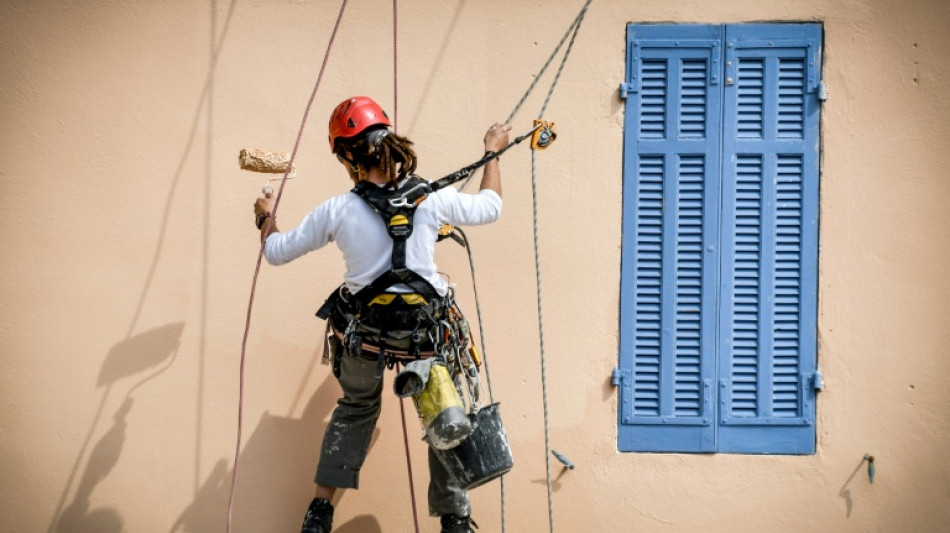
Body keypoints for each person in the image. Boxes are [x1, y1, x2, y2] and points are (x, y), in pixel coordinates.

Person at [253, 95, 511, 533]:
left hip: (364, 338)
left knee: (355, 410)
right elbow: (491, 206)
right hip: (425, 337)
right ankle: (454, 520)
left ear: (348, 157)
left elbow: (276, 252)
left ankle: (319, 513)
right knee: (442, 412)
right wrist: (492, 152)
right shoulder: (431, 198)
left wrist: (265, 219)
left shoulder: (338, 210)